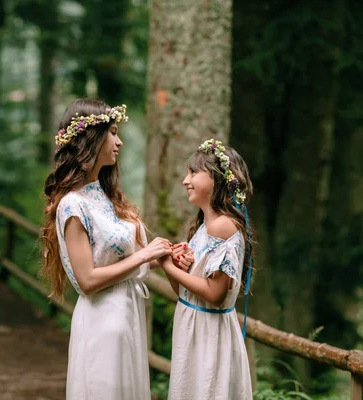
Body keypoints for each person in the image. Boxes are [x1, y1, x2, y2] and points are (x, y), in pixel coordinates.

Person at [40, 99, 172, 399]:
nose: (120, 141)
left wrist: (164, 252)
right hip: (102, 320)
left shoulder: (105, 195)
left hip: (128, 314)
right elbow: (87, 281)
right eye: (113, 132)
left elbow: (130, 259)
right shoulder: (73, 205)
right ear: (92, 139)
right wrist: (144, 254)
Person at [160, 138, 254, 400]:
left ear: (216, 179)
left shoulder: (222, 226)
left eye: (193, 172)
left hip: (208, 335)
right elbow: (184, 292)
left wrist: (165, 263)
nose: (185, 180)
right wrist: (178, 267)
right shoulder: (204, 227)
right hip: (194, 328)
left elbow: (214, 294)